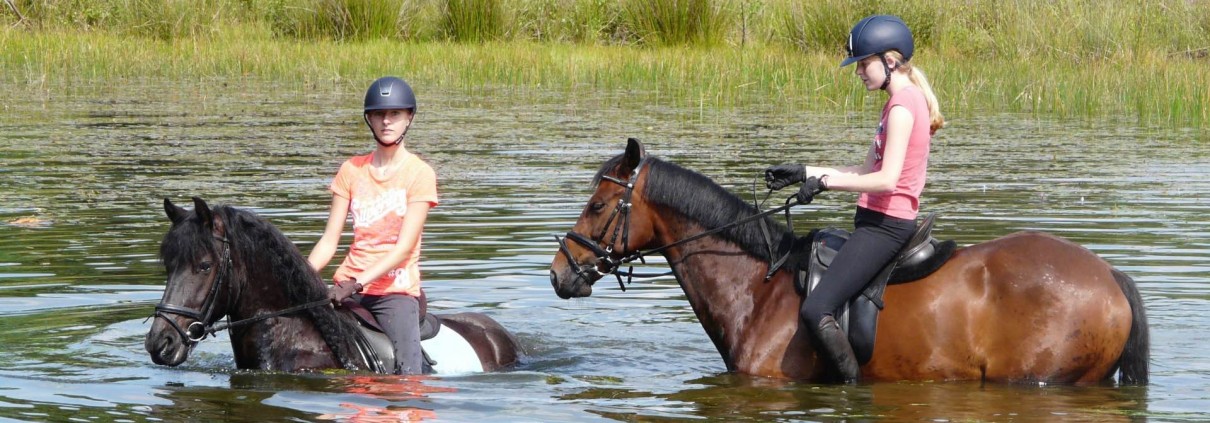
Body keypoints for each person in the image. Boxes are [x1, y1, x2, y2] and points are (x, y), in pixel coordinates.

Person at [764, 14, 944, 383]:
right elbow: (864, 170)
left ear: (889, 61)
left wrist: (826, 185)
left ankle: (852, 391)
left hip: (886, 227)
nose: (859, 72)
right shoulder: (900, 101)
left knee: (816, 310)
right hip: (875, 222)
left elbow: (886, 179)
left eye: (863, 63)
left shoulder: (901, 108)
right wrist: (806, 171)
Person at [308, 76, 438, 375]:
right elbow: (329, 241)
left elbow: (403, 249)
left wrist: (357, 283)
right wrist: (301, 276)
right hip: (347, 287)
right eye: (379, 114)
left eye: (395, 114)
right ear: (369, 119)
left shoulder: (419, 174)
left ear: (409, 118)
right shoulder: (351, 170)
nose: (386, 121)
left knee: (408, 375)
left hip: (395, 291)